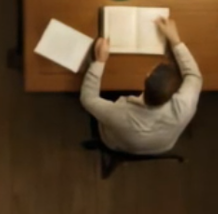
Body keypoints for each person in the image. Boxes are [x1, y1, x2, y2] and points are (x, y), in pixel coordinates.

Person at [79, 17, 203, 155]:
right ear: (176, 93)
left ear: (147, 76)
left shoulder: (121, 114)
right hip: (161, 146)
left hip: (116, 143)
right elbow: (194, 75)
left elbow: (88, 99)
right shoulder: (185, 105)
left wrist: (99, 61)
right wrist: (175, 41)